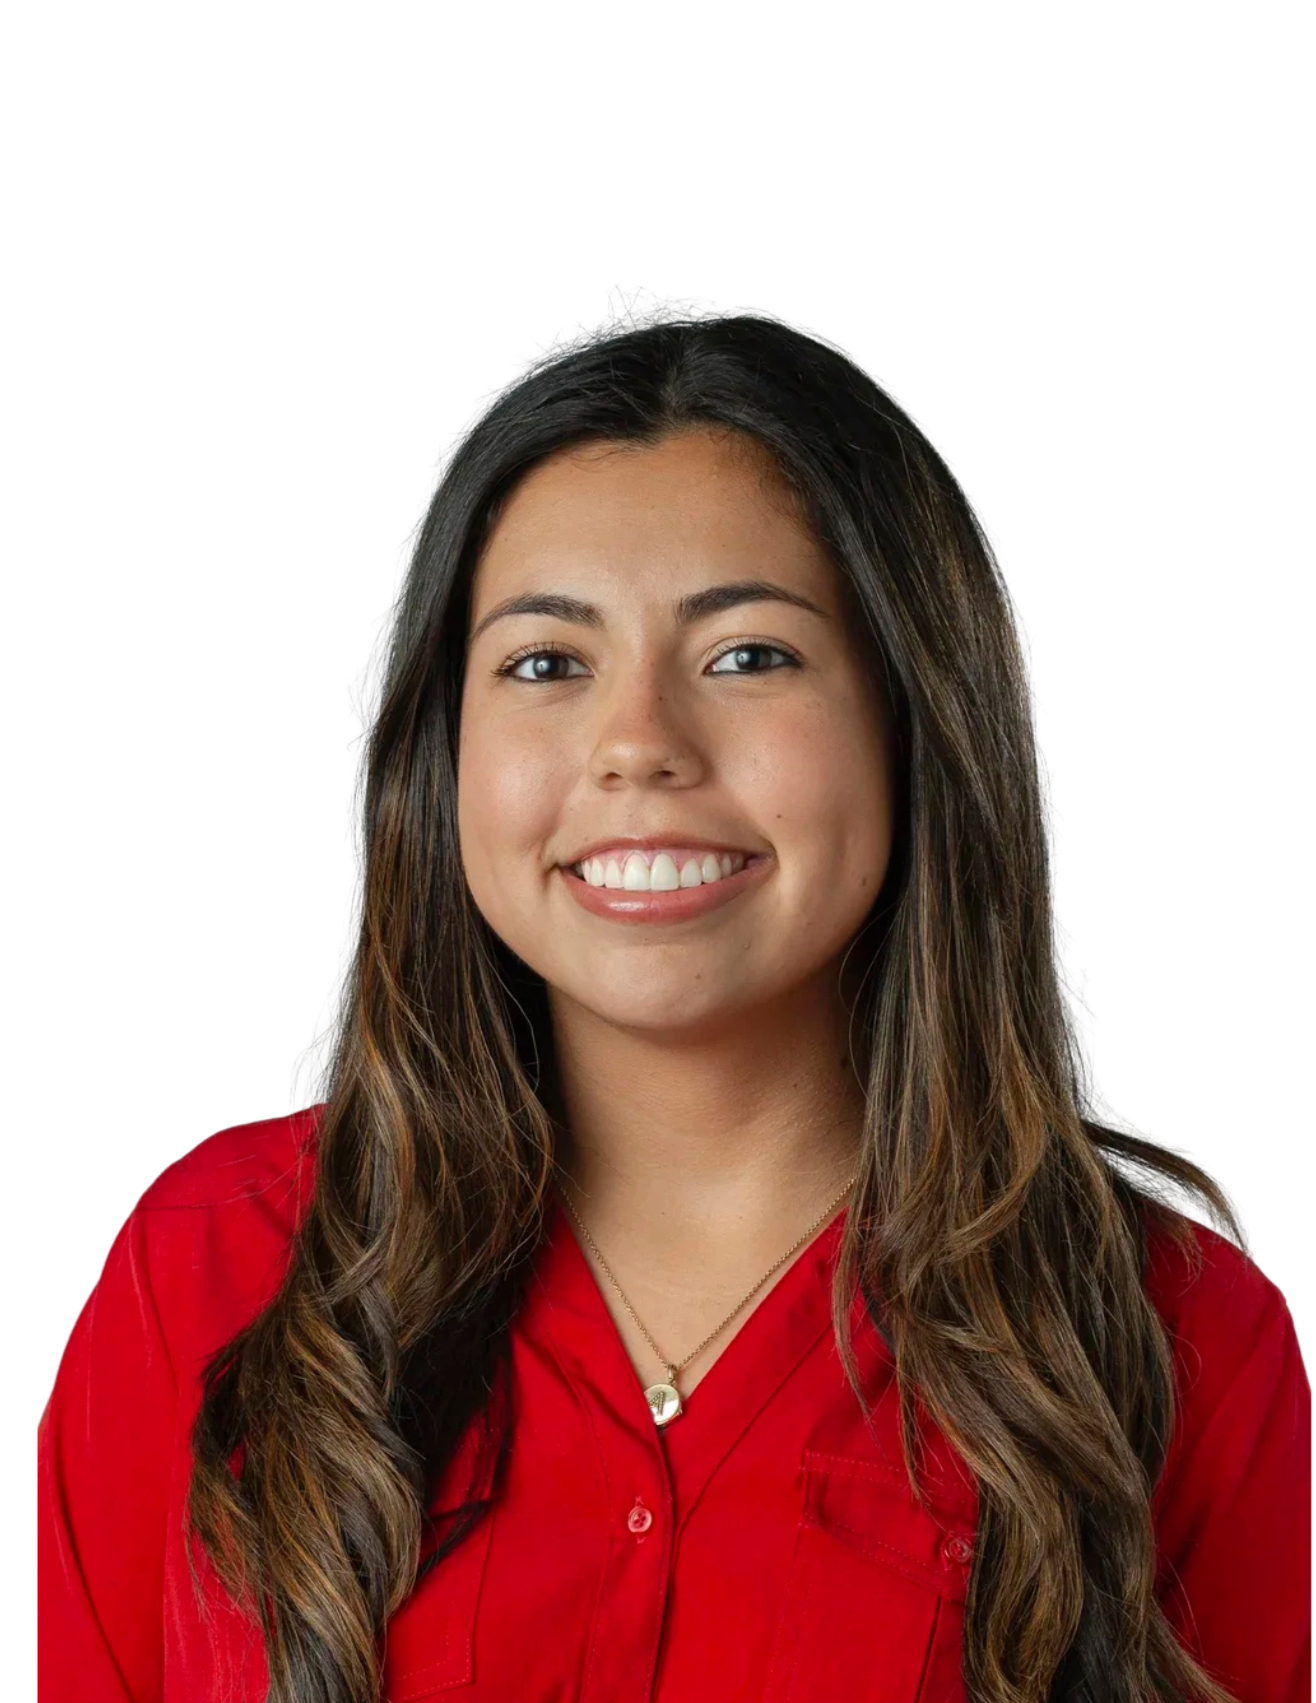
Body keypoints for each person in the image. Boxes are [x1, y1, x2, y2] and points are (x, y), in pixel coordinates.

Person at [38, 313, 1310, 1703]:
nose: (639, 740)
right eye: (545, 663)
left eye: (749, 654)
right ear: (442, 751)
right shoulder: (212, 1278)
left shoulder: (1173, 1351)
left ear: (914, 716)